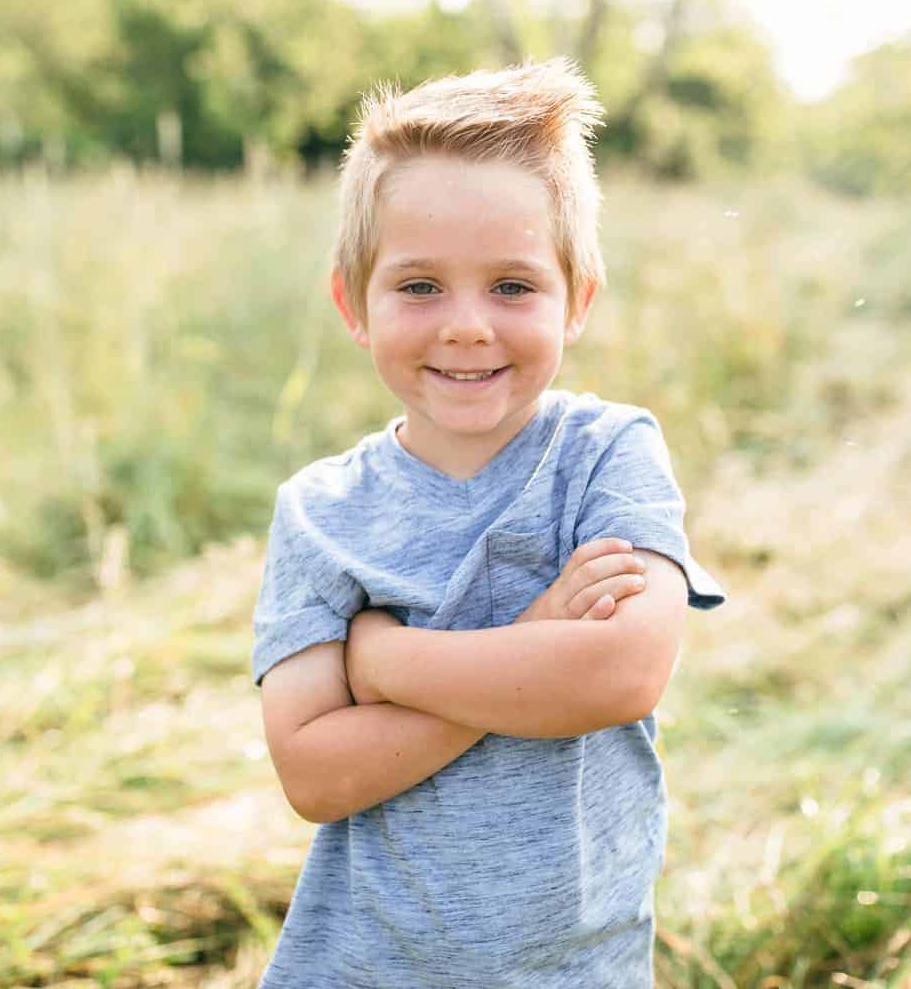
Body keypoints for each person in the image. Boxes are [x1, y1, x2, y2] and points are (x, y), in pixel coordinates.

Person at [250, 57, 726, 988]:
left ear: (576, 299)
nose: (467, 325)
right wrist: (533, 649)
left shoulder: (606, 455)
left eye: (512, 287)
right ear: (354, 303)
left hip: (573, 968)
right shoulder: (322, 513)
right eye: (420, 286)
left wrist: (384, 665)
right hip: (362, 968)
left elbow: (621, 672)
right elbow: (313, 772)